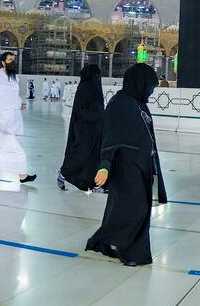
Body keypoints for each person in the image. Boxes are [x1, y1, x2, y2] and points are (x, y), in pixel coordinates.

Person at [86, 63, 166, 266]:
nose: (151, 90)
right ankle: (130, 252)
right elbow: (110, 137)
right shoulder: (119, 103)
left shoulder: (138, 103)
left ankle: (105, 241)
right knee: (135, 208)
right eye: (150, 86)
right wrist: (104, 166)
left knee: (125, 208)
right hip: (124, 167)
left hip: (140, 166)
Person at [0, 52, 36, 182]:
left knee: (16, 145)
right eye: (9, 59)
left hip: (13, 119)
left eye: (13, 60)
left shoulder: (14, 78)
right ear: (3, 62)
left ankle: (21, 174)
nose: (12, 62)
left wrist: (19, 104)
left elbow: (12, 96)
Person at [58, 63, 105, 191]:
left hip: (95, 130)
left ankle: (93, 183)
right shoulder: (84, 88)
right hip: (84, 130)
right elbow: (81, 111)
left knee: (94, 158)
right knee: (80, 156)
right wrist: (98, 116)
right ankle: (63, 173)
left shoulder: (96, 89)